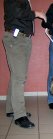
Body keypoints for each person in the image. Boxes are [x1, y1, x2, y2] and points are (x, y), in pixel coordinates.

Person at [2, 0, 46, 128]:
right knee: (19, 78)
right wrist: (37, 13)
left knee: (16, 76)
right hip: (16, 38)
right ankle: (20, 115)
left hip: (23, 38)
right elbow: (18, 12)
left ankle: (12, 109)